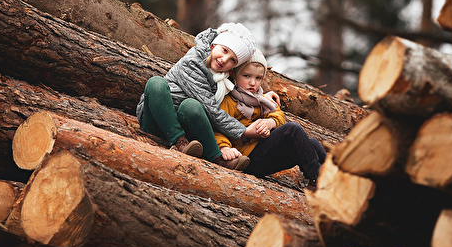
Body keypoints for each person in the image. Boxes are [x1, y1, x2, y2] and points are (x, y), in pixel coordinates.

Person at [136, 22, 265, 171]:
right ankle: (181, 142)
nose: (224, 59)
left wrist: (261, 97)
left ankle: (216, 158)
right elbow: (211, 109)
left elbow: (240, 89)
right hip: (156, 120)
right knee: (156, 83)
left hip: (184, 124)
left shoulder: (223, 76)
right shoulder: (193, 62)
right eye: (224, 50)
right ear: (214, 45)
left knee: (192, 106)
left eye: (233, 60)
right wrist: (244, 131)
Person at [214, 49, 326, 188]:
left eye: (258, 78)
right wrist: (224, 147)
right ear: (235, 75)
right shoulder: (228, 100)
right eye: (247, 76)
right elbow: (218, 128)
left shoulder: (260, 99)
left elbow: (277, 114)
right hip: (247, 157)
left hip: (266, 153)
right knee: (293, 129)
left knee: (313, 144)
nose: (252, 83)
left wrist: (270, 122)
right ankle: (316, 178)